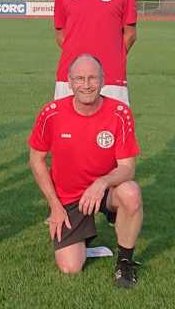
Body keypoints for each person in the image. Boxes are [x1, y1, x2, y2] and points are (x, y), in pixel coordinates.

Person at [28, 54, 143, 289]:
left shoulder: (120, 113)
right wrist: (54, 206)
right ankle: (84, 238)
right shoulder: (51, 113)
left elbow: (127, 168)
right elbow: (36, 160)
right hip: (69, 198)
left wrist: (101, 183)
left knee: (130, 192)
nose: (87, 84)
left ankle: (124, 262)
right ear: (69, 82)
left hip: (105, 191)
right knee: (70, 267)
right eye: (80, 78)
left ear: (103, 80)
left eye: (92, 78)